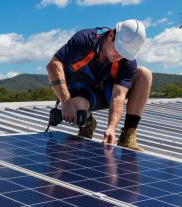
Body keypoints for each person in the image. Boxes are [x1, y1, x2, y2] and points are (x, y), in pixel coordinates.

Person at [46, 19, 152, 151]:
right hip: (81, 89)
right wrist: (66, 102)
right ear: (111, 35)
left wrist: (111, 128)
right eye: (118, 50)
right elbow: (53, 65)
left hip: (107, 92)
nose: (119, 56)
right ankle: (88, 124)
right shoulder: (85, 39)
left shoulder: (127, 61)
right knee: (79, 107)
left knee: (144, 74)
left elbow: (118, 95)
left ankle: (127, 136)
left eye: (124, 55)